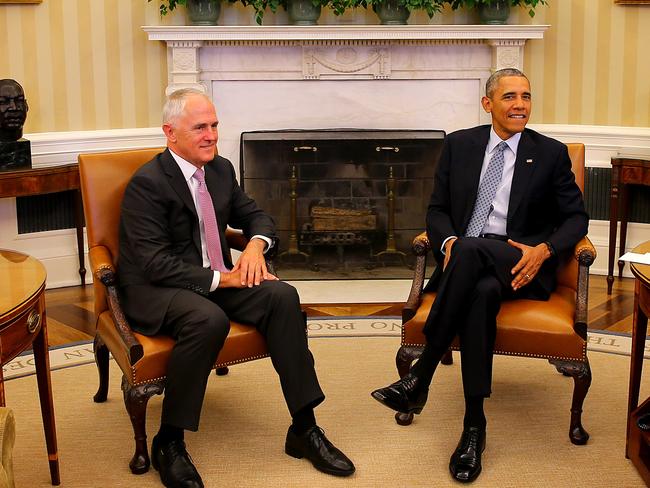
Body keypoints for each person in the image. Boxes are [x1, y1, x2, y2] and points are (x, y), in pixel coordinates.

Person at [118, 88, 355, 488]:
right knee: (207, 319)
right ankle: (169, 441)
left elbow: (258, 216)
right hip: (158, 287)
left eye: (214, 125)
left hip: (215, 276)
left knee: (283, 296)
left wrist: (256, 248)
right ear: (170, 133)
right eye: (200, 127)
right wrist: (223, 277)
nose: (211, 135)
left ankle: (304, 427)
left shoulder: (222, 170)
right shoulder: (148, 184)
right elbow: (154, 263)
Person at [371, 68, 588, 483]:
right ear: (488, 104)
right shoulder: (459, 145)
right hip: (468, 264)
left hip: (521, 264)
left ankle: (422, 375)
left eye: (526, 96)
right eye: (509, 97)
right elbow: (436, 209)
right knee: (480, 292)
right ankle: (474, 426)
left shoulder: (551, 153)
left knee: (474, 254)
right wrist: (449, 242)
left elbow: (576, 218)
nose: (520, 104)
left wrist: (544, 251)